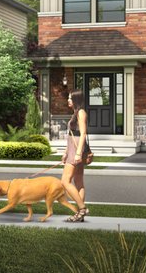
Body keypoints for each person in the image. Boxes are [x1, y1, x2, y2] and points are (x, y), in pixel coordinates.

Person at [62, 90, 93, 223]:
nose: (68, 100)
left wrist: (78, 153)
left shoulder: (81, 113)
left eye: (70, 98)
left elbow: (83, 134)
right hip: (73, 151)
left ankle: (82, 208)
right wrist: (65, 152)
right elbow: (72, 136)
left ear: (76, 99)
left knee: (65, 181)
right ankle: (80, 214)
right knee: (78, 182)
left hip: (77, 152)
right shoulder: (75, 113)